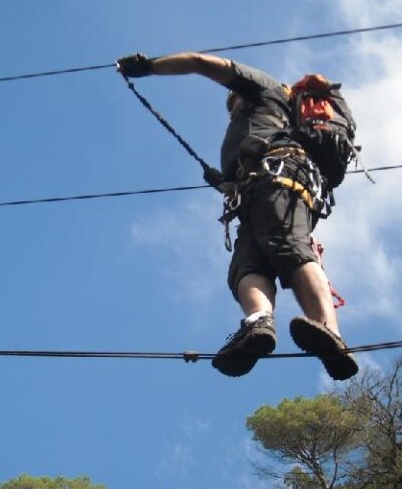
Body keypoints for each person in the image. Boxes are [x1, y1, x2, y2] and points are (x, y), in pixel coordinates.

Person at [117, 52, 358, 381]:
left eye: (233, 101)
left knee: (288, 246)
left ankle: (331, 334)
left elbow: (202, 63)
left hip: (280, 176)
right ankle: (259, 323)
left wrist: (150, 66)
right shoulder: (255, 123)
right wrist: (227, 182)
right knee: (246, 266)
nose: (232, 108)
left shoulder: (267, 91)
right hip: (254, 194)